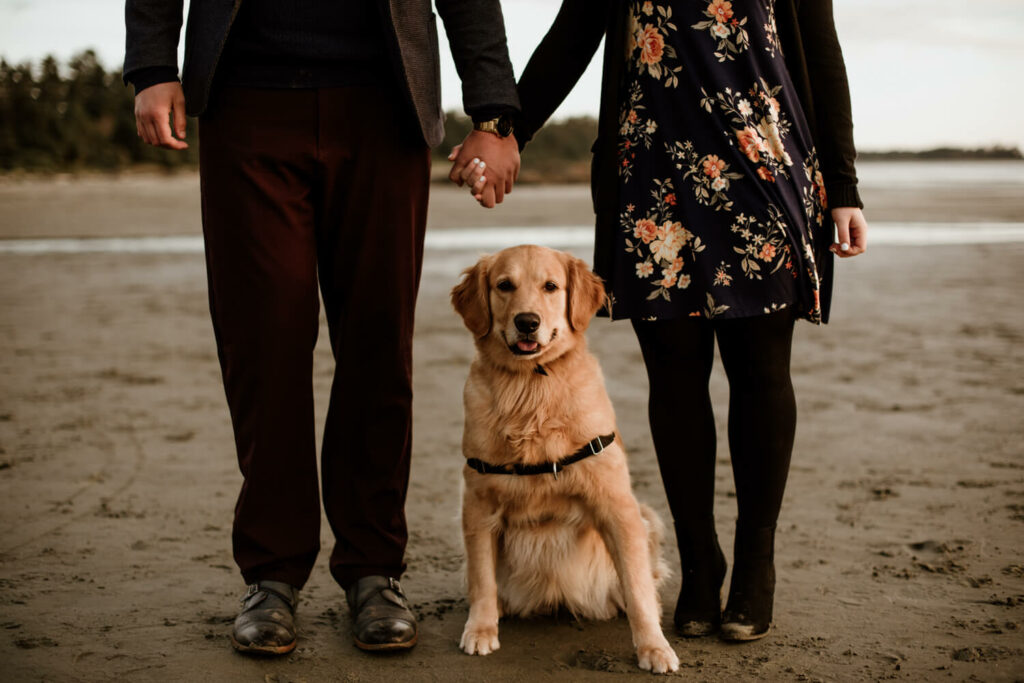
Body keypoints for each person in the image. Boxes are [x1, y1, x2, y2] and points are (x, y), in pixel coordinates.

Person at [451, 0, 868, 641]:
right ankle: (700, 564)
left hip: (764, 167)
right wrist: (506, 130)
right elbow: (572, 36)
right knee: (675, 380)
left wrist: (843, 185)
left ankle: (757, 566)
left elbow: (821, 49)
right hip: (651, 178)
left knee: (760, 372)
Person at [124, 0, 522, 655]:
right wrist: (151, 65)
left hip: (384, 101)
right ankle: (271, 574)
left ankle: (374, 568)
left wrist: (493, 113)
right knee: (264, 346)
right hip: (246, 98)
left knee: (377, 347)